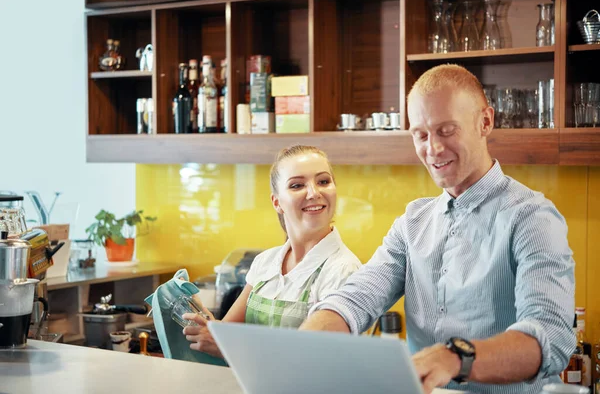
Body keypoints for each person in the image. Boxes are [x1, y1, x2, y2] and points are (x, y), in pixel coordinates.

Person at [300, 64, 576, 394]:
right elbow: (357, 298)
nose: (432, 149)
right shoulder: (412, 221)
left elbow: (550, 337)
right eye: (421, 134)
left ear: (485, 122)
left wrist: (456, 357)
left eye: (446, 131)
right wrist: (310, 337)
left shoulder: (532, 218)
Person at [182, 145, 362, 358]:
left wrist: (230, 346)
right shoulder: (265, 262)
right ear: (277, 202)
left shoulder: (344, 270)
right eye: (297, 185)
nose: (314, 193)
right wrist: (207, 327)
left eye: (323, 181)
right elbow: (227, 333)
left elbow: (323, 359)